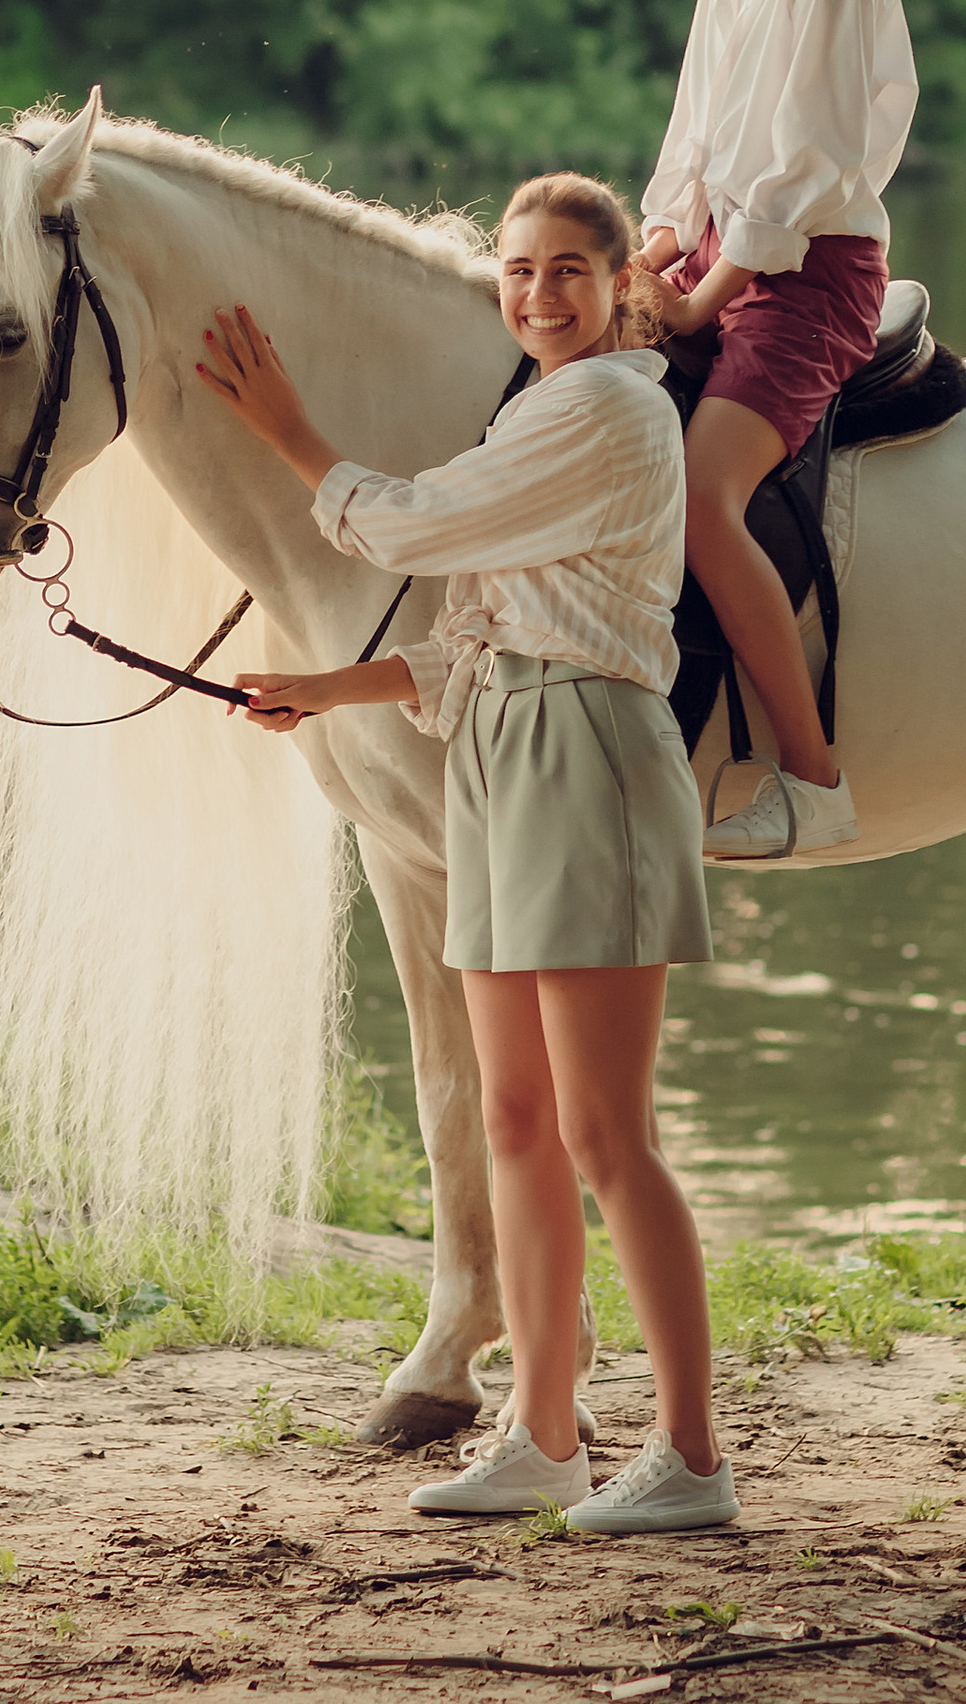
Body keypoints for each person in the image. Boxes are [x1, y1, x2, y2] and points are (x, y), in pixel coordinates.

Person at [194, 175, 734, 1537]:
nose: (539, 293)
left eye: (567, 270)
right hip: (498, 754)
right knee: (516, 1124)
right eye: (517, 271)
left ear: (621, 289)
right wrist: (328, 689)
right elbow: (475, 638)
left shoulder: (613, 405)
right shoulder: (535, 409)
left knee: (610, 1135)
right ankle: (542, 1439)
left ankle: (692, 1454)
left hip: (589, 762)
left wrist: (292, 435)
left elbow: (415, 528)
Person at [641, 0, 918, 861]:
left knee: (704, 494)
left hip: (805, 275)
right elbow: (693, 146)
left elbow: (802, 167)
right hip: (718, 255)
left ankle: (813, 779)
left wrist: (703, 301)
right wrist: (655, 245)